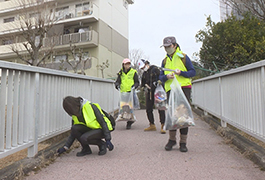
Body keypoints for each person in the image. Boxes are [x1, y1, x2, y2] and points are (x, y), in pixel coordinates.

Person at [159, 36, 196, 152]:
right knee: (172, 114)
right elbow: (160, 77)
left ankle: (183, 142)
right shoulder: (164, 61)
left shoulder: (183, 57)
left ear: (174, 45)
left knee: (183, 115)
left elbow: (193, 72)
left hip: (184, 88)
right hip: (171, 89)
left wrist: (182, 73)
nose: (167, 49)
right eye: (165, 47)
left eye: (169, 46)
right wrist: (166, 76)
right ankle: (172, 140)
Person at [137, 59, 166, 134]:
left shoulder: (155, 69)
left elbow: (162, 77)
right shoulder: (144, 74)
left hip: (158, 92)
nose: (143, 69)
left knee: (161, 108)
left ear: (146, 64)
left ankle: (163, 125)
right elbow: (142, 83)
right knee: (148, 109)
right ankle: (152, 124)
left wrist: (159, 82)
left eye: (143, 67)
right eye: (142, 68)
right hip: (149, 92)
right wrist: (144, 87)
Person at [114, 58, 139, 129]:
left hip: (130, 93)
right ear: (123, 65)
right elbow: (117, 81)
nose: (127, 65)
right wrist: (117, 85)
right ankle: (123, 117)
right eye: (126, 64)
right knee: (123, 108)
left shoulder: (133, 72)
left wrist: (134, 86)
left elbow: (137, 82)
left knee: (130, 108)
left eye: (128, 64)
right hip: (123, 93)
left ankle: (130, 121)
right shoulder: (120, 73)